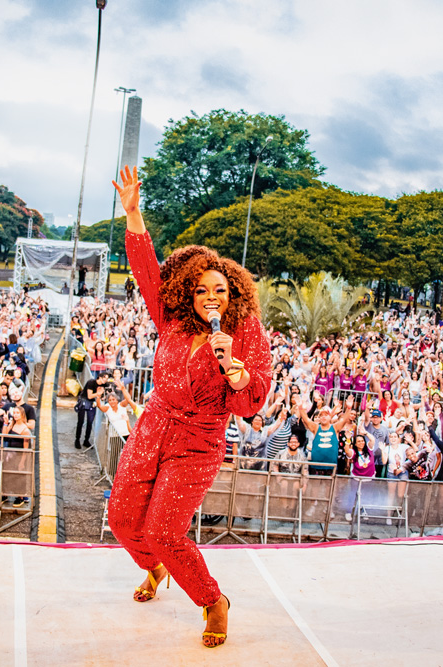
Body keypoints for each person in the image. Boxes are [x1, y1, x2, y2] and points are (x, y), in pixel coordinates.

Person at [107, 166, 272, 648]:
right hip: (153, 425)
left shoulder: (244, 332)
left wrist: (237, 373)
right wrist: (134, 214)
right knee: (121, 517)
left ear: (233, 292)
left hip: (199, 440)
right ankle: (155, 569)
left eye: (220, 289)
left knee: (163, 529)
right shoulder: (172, 321)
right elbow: (145, 270)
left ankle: (212, 601)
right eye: (201, 289)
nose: (210, 297)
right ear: (187, 292)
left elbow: (251, 399)